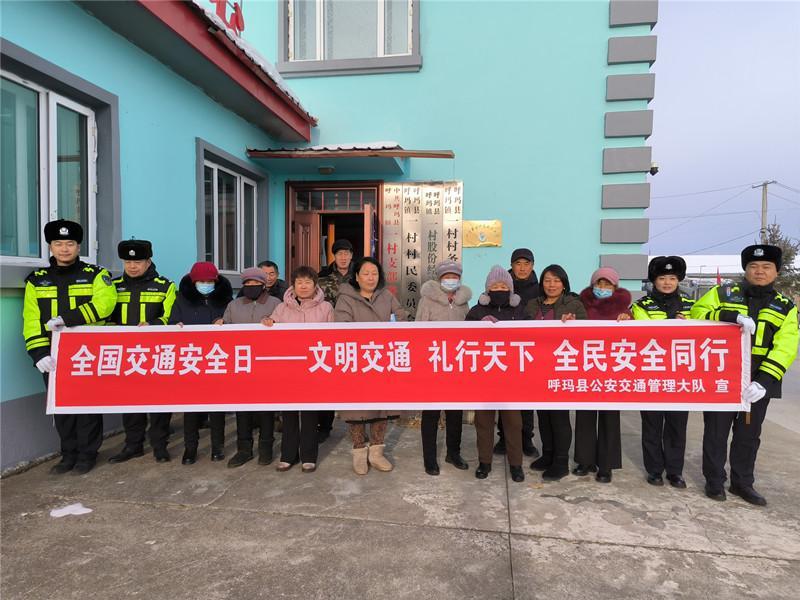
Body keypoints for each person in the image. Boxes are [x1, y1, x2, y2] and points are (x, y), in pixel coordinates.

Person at [692, 244, 798, 506]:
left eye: (766, 267)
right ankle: (714, 481)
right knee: (716, 431)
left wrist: (764, 381)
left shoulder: (785, 306)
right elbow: (697, 314)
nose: (759, 271)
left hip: (759, 379)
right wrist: (730, 316)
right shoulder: (723, 293)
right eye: (754, 266)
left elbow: (786, 346)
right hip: (722, 374)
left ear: (776, 271)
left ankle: (742, 483)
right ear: (746, 269)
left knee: (748, 434)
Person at [22, 219, 117, 475]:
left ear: (79, 246)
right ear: (50, 247)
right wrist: (38, 353)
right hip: (52, 354)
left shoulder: (96, 275)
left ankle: (87, 454)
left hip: (87, 352)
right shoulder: (36, 280)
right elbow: (31, 320)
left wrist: (68, 319)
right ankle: (68, 454)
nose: (64, 249)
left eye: (70, 243)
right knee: (61, 407)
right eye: (58, 243)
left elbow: (105, 305)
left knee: (87, 406)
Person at [334, 257, 408, 475]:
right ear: (356, 277)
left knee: (381, 407)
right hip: (357, 360)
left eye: (374, 273)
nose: (370, 278)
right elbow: (341, 326)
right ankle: (359, 451)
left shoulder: (387, 296)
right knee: (356, 408)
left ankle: (376, 452)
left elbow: (401, 318)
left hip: (382, 360)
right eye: (365, 273)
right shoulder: (346, 298)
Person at [107, 239, 176, 464]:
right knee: (130, 402)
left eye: (138, 261)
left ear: (148, 261)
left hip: (156, 354)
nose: (132, 266)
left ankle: (160, 445)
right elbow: (104, 316)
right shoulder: (113, 286)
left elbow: (172, 317)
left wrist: (153, 325)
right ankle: (133, 445)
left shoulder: (165, 286)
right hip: (125, 355)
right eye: (128, 262)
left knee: (159, 403)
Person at [263, 266, 334, 473]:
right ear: (293, 285)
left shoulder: (326, 308)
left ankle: (308, 456)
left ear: (315, 285)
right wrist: (268, 322)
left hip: (314, 368)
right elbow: (270, 329)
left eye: (308, 282)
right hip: (289, 369)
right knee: (289, 414)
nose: (303, 286)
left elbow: (333, 337)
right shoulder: (282, 308)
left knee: (310, 414)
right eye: (299, 282)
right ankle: (288, 455)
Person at [632, 256, 694, 489]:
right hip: (652, 374)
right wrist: (672, 324)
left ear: (678, 280)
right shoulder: (641, 306)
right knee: (652, 425)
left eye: (672, 278)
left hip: (681, 376)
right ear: (653, 281)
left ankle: (675, 471)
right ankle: (655, 470)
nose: (667, 283)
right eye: (662, 278)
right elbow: (643, 335)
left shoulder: (691, 306)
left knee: (677, 426)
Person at [465, 265, 527, 483]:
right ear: (487, 289)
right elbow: (464, 340)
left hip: (511, 378)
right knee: (483, 422)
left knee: (513, 423)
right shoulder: (476, 312)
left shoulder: (520, 311)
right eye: (495, 286)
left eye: (503, 286)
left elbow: (531, 337)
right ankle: (484, 462)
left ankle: (516, 464)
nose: (499, 289)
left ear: (510, 289)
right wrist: (478, 328)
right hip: (484, 377)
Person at [525, 264, 586, 481]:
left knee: (559, 416)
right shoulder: (532, 304)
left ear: (564, 283)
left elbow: (586, 333)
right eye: (547, 280)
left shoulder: (574, 304)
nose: (551, 285)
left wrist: (574, 324)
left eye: (556, 280)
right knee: (543, 415)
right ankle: (548, 454)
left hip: (561, 368)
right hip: (537, 368)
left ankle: (560, 461)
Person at [169, 261, 232, 465]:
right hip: (191, 360)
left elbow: (234, 324)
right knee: (191, 408)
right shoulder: (182, 299)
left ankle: (217, 447)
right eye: (201, 281)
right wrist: (175, 325)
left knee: (217, 407)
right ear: (193, 282)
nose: (206, 284)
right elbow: (172, 322)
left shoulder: (224, 300)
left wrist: (224, 322)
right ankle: (190, 447)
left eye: (209, 281)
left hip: (217, 359)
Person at [573, 266, 631, 483]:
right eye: (600, 283)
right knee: (585, 417)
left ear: (615, 287)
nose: (603, 287)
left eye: (608, 284)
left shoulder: (624, 310)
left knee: (609, 418)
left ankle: (606, 465)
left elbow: (636, 338)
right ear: (593, 285)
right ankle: (584, 460)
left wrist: (629, 321)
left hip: (612, 372)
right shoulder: (582, 306)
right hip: (587, 368)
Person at [415, 260, 472, 476]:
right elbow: (419, 331)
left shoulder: (463, 302)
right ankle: (429, 459)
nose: (451, 280)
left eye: (454, 277)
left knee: (455, 412)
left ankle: (453, 453)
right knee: (431, 413)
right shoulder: (427, 300)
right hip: (433, 365)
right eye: (447, 276)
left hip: (457, 366)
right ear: (440, 279)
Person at [220, 267, 281, 468]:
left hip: (267, 365)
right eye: (247, 284)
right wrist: (219, 323)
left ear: (263, 285)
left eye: (256, 284)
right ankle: (244, 449)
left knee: (266, 410)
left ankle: (266, 448)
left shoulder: (276, 304)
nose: (251, 287)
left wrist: (274, 322)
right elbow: (225, 329)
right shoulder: (234, 305)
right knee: (243, 410)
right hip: (241, 366)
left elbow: (284, 328)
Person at [496, 248, 541, 458]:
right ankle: (503, 438)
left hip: (530, 351)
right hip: (504, 351)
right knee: (504, 396)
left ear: (532, 266)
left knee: (527, 398)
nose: (522, 268)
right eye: (518, 264)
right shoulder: (502, 285)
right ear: (512, 266)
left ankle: (526, 439)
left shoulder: (540, 288)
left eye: (526, 264)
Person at [317, 238, 356, 441]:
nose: (343, 257)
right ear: (334, 255)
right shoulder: (322, 277)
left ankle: (357, 426)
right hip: (329, 335)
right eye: (339, 253)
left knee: (354, 382)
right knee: (328, 381)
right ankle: (325, 425)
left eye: (346, 253)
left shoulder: (359, 275)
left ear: (351, 255)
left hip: (354, 335)